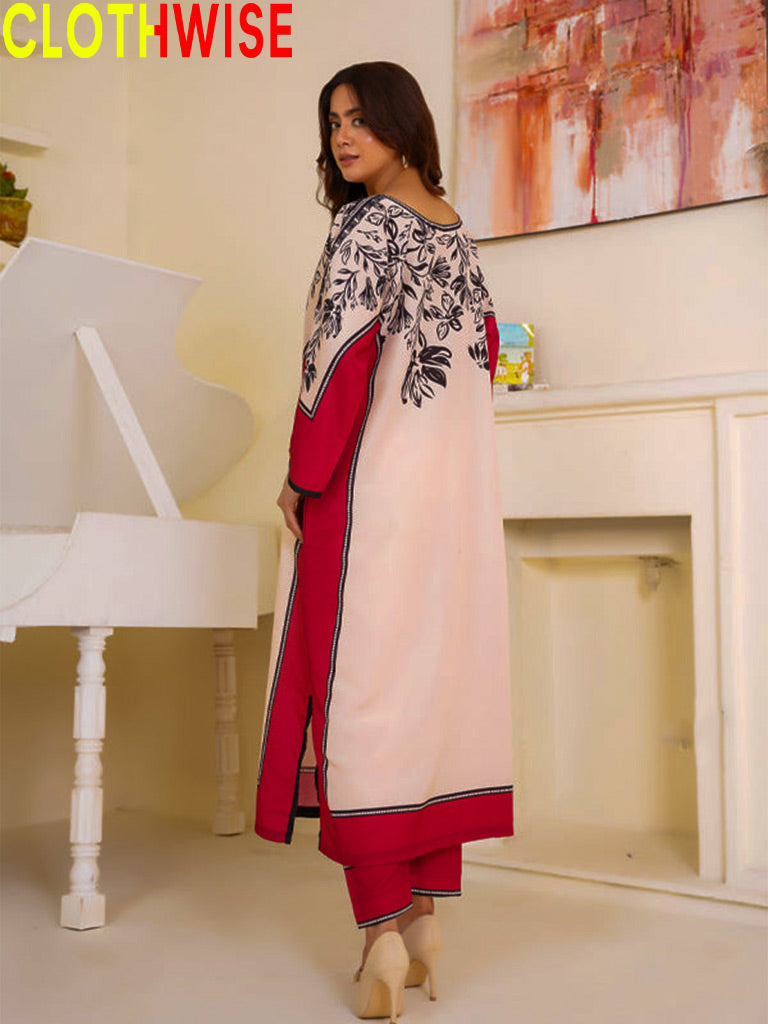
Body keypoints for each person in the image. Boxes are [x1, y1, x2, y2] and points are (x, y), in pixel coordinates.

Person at [255, 61, 514, 1022]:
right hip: (448, 513)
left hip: (369, 501)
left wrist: (301, 474)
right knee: (423, 695)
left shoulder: (365, 228)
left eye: (362, 118)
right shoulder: (456, 231)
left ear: (403, 120)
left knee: (357, 699)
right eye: (333, 123)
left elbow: (338, 361)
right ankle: (425, 926)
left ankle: (380, 939)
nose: (344, 137)